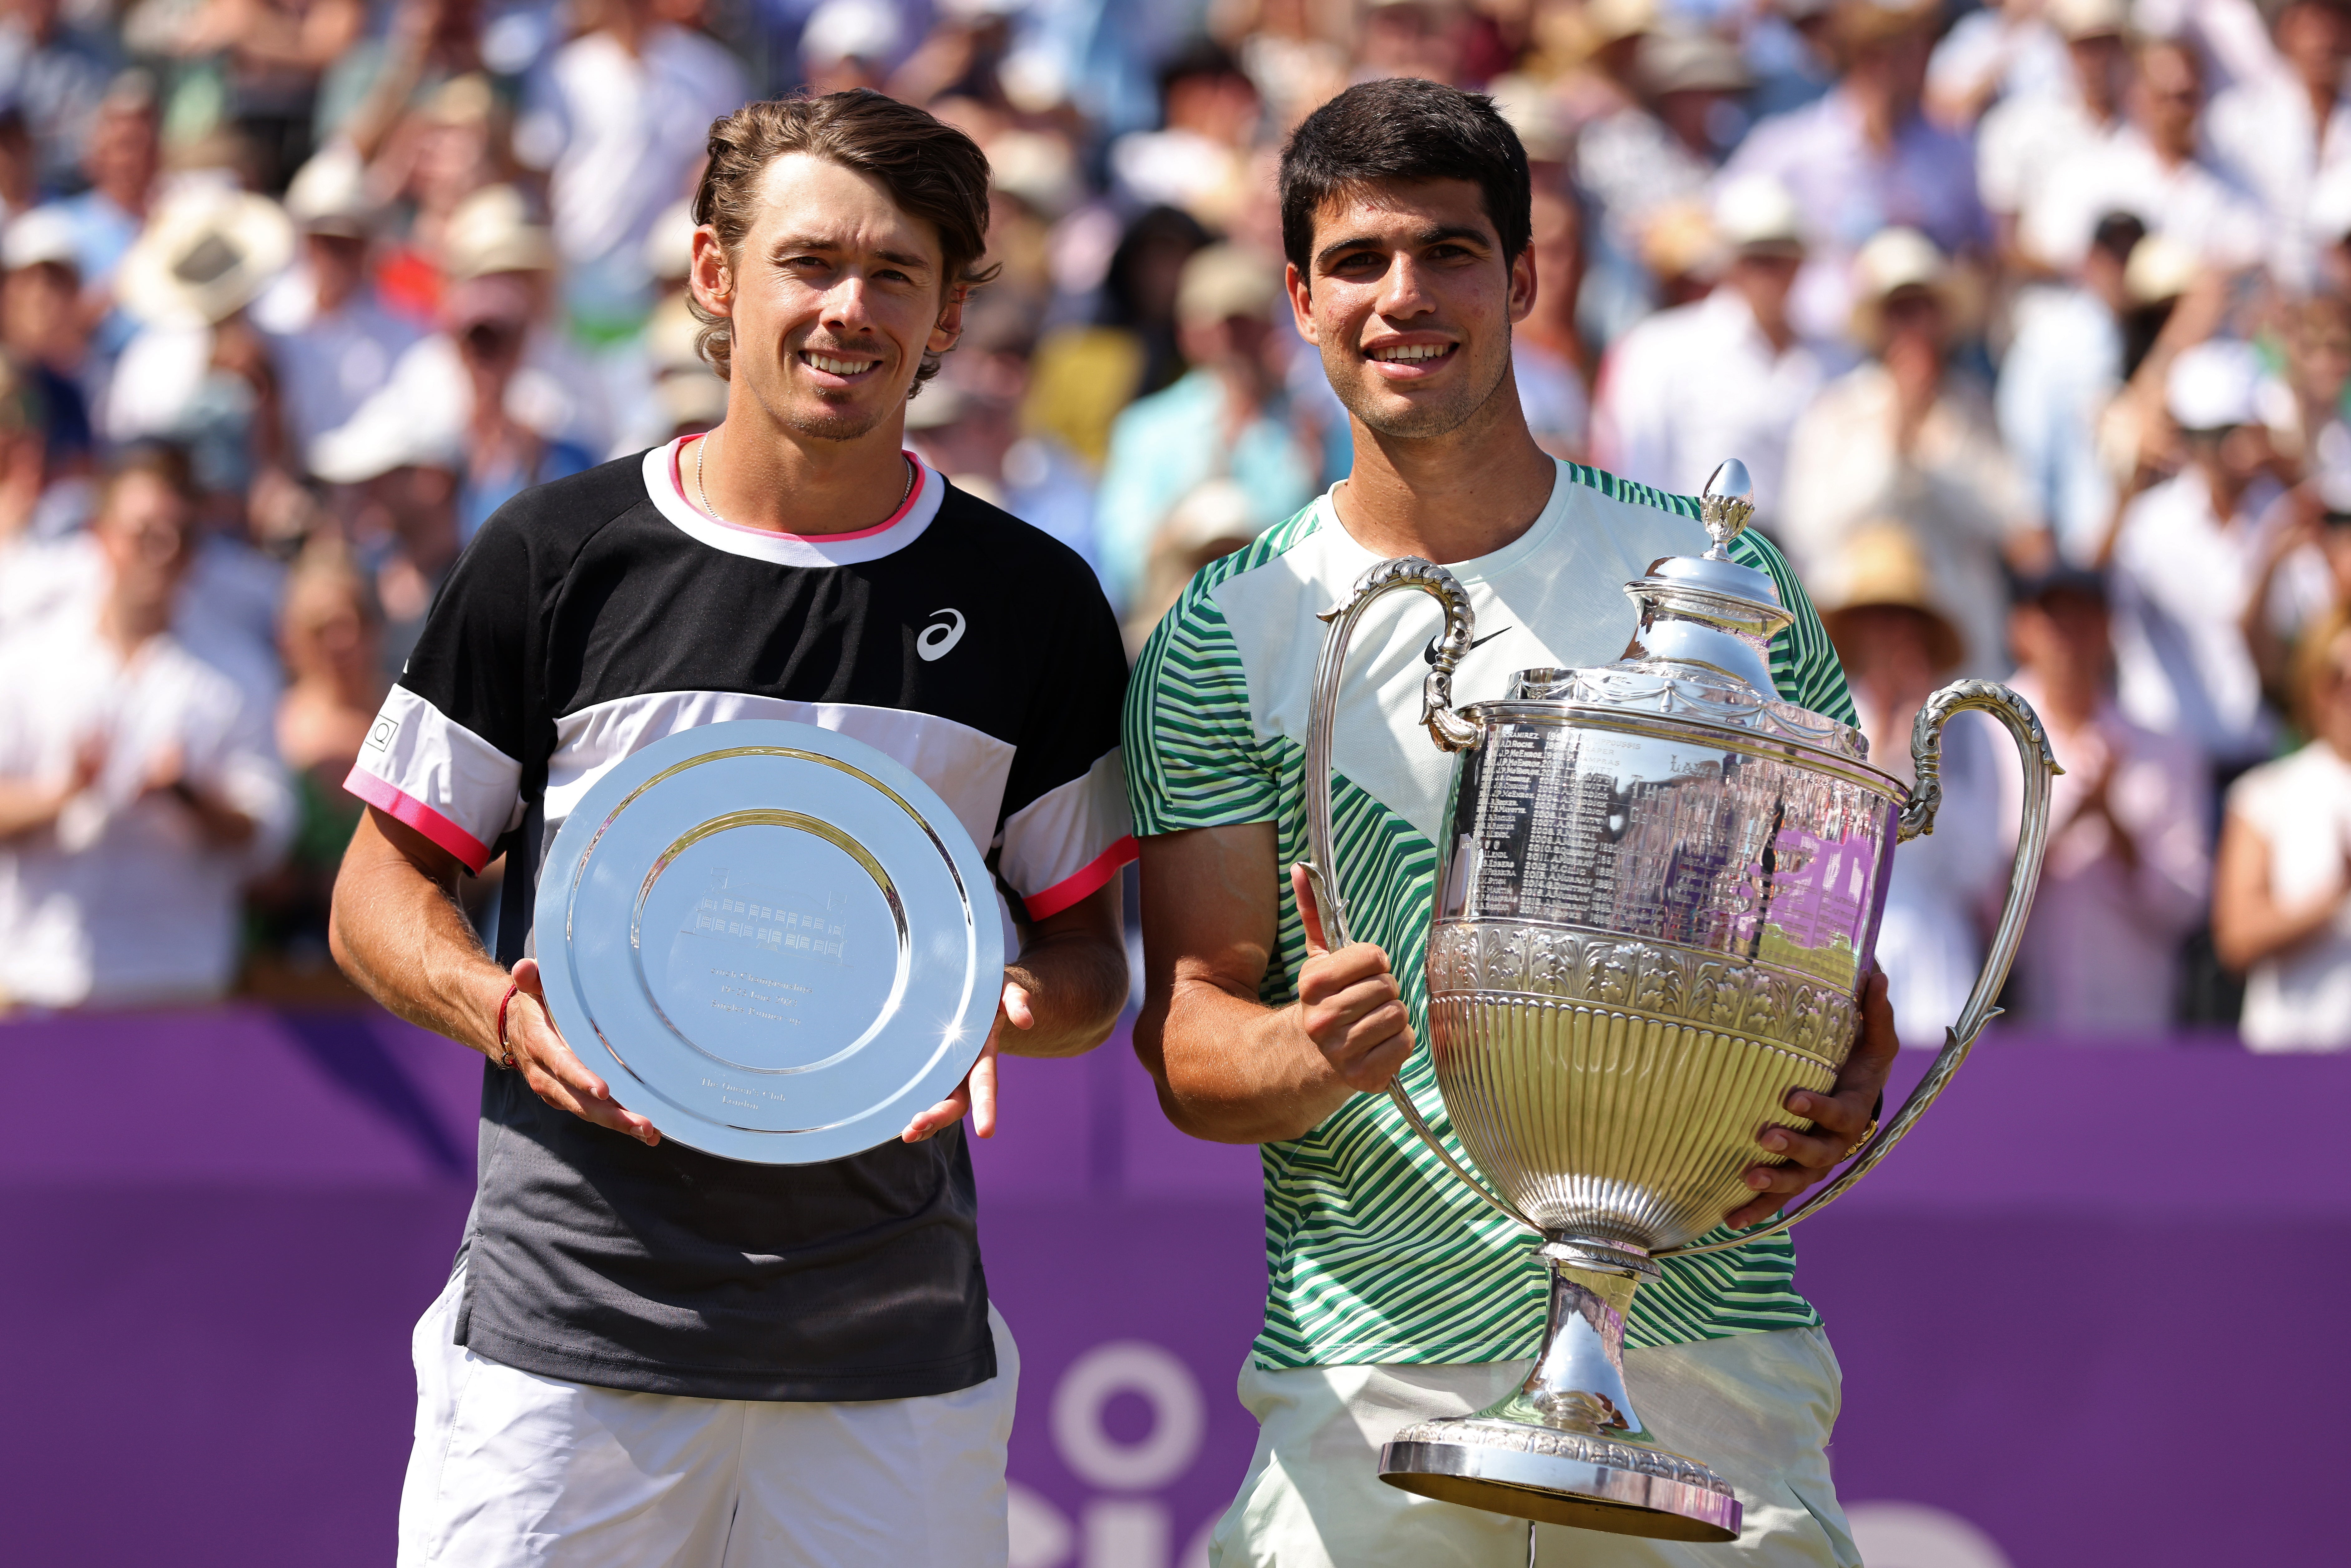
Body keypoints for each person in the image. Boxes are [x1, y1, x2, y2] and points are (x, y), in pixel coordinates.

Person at [327, 90, 1132, 1566]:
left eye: (898, 274)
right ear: (718, 275)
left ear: (952, 311)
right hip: (567, 1334)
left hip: (894, 1351)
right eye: (810, 263)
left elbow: (1088, 957)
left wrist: (1006, 1001)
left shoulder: (1038, 603)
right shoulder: (554, 555)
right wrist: (498, 1007)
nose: (850, 309)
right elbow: (379, 891)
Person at [1125, 77, 1893, 1568]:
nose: (1404, 296)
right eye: (1358, 261)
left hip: (1705, 1362)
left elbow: (1825, 980)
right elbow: (1194, 1031)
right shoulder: (1226, 630)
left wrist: (1849, 1064)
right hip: (1372, 1379)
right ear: (1296, 294)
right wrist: (1299, 1047)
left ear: (1527, 275)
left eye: (1450, 252)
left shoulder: (1725, 588)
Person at [0, 447, 293, 1008]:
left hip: (175, 986)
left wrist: (193, 799)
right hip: (39, 980)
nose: (164, 552)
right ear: (100, 536)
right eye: (145, 533)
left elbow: (267, 835)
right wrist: (59, 796)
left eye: (182, 535)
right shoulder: (28, 659)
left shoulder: (237, 672)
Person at [1779, 226, 2043, 675]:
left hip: (1962, 644)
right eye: (1899, 310)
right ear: (1879, 323)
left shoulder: (1974, 410)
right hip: (1862, 647)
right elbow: (1809, 529)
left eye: (1922, 308)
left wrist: (1930, 458)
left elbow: (2019, 532)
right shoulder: (1837, 411)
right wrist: (1895, 443)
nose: (1912, 324)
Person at [1814, 524, 2004, 1050]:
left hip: (1934, 954)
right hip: (1835, 947)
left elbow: (1978, 865)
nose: (1890, 634)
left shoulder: (1965, 731)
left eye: (1901, 617)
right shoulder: (1825, 721)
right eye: (1875, 617)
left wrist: (1920, 752)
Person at [1998, 564, 2209, 1032]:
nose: (2069, 637)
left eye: (2085, 619)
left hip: (2135, 1016)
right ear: (2021, 630)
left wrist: (2117, 828)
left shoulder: (2169, 751)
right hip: (2018, 1020)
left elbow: (2187, 904)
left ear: (2109, 630)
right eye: (2056, 620)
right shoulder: (1983, 739)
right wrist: (2072, 819)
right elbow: (1979, 894)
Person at [1590, 173, 1826, 532]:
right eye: (1756, 258)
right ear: (1728, 261)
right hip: (1696, 563)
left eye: (1781, 257)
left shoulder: (1833, 359)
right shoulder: (1657, 348)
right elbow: (1634, 477)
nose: (1769, 273)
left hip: (1801, 574)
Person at [2214, 606, 2351, 1049]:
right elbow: (2237, 937)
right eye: (2338, 680)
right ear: (2315, 686)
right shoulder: (2267, 794)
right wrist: (2332, 899)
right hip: (2295, 1056)